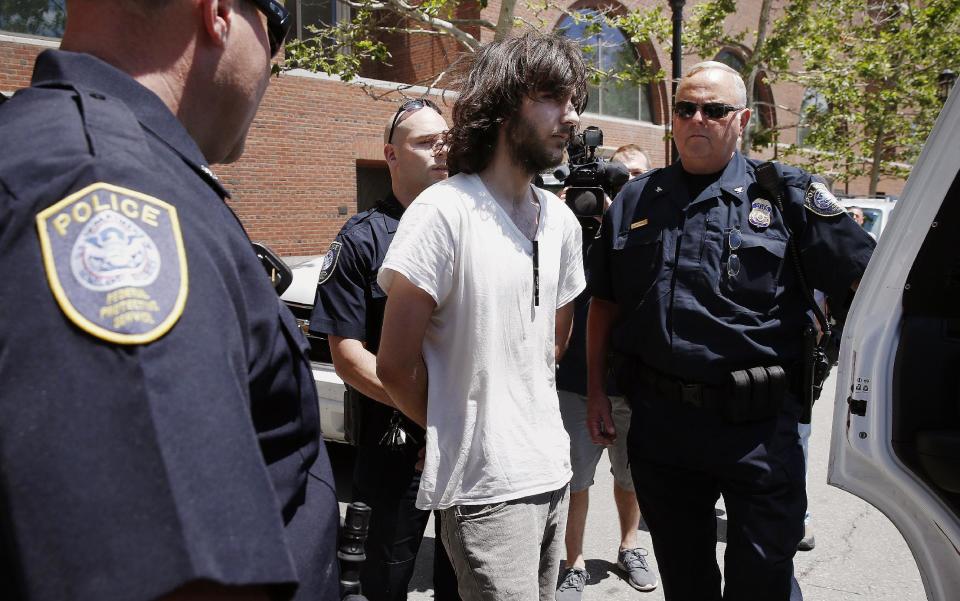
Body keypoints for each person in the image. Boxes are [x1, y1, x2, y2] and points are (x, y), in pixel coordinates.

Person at [0, 2, 339, 600]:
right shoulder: (103, 189)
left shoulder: (79, 157)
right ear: (219, 13)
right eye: (278, 27)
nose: (276, 59)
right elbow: (170, 571)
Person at [586, 61, 875, 601]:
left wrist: (833, 361)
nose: (698, 119)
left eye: (714, 110)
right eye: (686, 108)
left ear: (740, 119)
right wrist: (598, 393)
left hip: (758, 431)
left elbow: (868, 284)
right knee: (686, 579)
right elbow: (604, 301)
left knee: (762, 581)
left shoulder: (787, 196)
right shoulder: (635, 200)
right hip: (663, 428)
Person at [375, 31, 588, 601]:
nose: (569, 116)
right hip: (486, 491)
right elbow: (393, 366)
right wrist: (455, 428)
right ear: (501, 105)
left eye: (575, 101)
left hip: (554, 473)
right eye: (551, 97)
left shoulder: (563, 224)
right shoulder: (444, 212)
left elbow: (551, 348)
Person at [310, 98, 460, 601]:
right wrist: (429, 418)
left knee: (465, 580)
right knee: (383, 579)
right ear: (390, 156)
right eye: (423, 141)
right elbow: (348, 355)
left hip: (467, 444)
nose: (440, 149)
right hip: (393, 445)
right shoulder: (363, 239)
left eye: (445, 139)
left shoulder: (475, 228)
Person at [555, 147, 657, 600]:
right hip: (574, 381)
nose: (626, 188)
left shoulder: (646, 230)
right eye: (622, 178)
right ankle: (573, 560)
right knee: (575, 478)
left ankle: (630, 546)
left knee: (629, 475)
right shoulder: (565, 225)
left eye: (637, 178)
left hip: (631, 382)